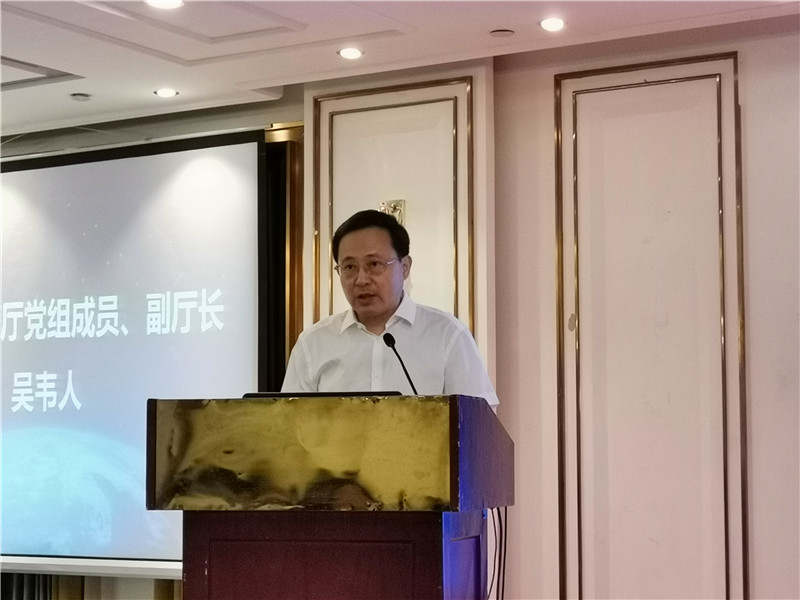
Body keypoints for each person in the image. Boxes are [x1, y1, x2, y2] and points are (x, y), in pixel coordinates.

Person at [281, 209, 498, 406]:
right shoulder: (313, 344)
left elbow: (479, 424)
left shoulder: (447, 335)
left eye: (374, 264)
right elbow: (289, 425)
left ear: (405, 267)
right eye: (349, 267)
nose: (361, 279)